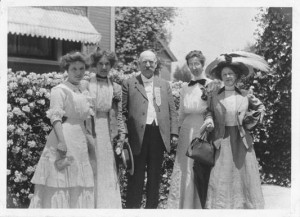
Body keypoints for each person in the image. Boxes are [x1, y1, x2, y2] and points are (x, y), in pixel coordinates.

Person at [29, 51, 94, 208]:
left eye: (81, 68)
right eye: (74, 69)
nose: (78, 73)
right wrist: (62, 142)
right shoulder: (60, 89)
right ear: (67, 69)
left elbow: (87, 119)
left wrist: (90, 140)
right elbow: (55, 117)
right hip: (64, 136)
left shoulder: (84, 90)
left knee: (79, 180)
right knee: (61, 179)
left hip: (80, 138)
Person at [205, 52, 267, 209]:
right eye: (224, 74)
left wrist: (251, 120)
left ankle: (244, 207)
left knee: (243, 176)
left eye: (230, 74)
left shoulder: (246, 95)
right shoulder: (214, 95)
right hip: (221, 139)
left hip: (241, 140)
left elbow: (260, 107)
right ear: (220, 76)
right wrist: (209, 119)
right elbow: (209, 111)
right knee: (220, 175)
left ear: (237, 76)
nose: (227, 77)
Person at [122, 50, 179, 209]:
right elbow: (123, 112)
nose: (148, 65)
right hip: (137, 136)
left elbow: (172, 110)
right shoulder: (129, 83)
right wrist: (124, 134)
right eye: (144, 62)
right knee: (136, 178)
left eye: (151, 62)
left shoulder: (164, 84)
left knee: (155, 178)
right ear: (139, 64)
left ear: (156, 64)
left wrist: (174, 132)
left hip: (158, 135)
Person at [166, 50, 214, 209]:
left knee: (199, 165)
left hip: (203, 128)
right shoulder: (185, 87)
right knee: (184, 166)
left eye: (197, 63)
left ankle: (199, 205)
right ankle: (184, 205)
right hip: (186, 130)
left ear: (202, 64)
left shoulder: (211, 85)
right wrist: (176, 132)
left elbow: (214, 109)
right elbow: (180, 113)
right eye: (191, 64)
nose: (194, 67)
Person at [84, 48, 125, 208]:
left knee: (107, 167)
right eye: (100, 63)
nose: (103, 67)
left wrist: (121, 135)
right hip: (90, 130)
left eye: (107, 64)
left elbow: (120, 114)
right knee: (91, 165)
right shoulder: (86, 84)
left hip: (107, 132)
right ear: (95, 65)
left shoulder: (116, 88)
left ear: (111, 66)